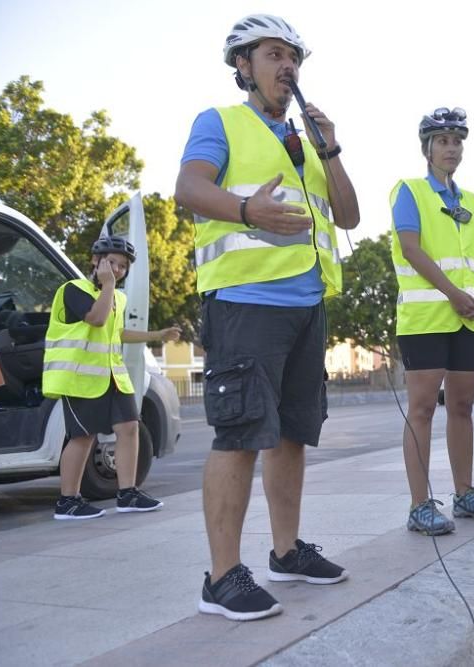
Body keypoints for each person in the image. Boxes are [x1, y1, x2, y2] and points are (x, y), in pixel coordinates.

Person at [174, 14, 360, 621]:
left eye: (294, 59)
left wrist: (329, 150)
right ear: (243, 65)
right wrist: (247, 211)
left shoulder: (303, 142)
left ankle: (287, 551)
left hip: (306, 305)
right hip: (245, 303)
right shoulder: (219, 122)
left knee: (291, 434)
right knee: (241, 434)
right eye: (274, 55)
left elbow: (350, 215)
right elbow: (188, 188)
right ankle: (221, 578)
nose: (288, 68)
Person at [390, 107, 474, 536]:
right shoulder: (409, 191)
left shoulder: (472, 200)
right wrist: (454, 294)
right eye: (442, 141)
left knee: (461, 407)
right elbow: (411, 249)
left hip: (470, 320)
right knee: (421, 409)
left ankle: (465, 493)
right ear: (428, 148)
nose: (451, 148)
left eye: (457, 141)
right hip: (425, 318)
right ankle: (419, 505)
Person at [43, 235, 181, 520]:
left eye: (122, 266)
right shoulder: (74, 290)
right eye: (112, 263)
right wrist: (107, 284)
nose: (117, 270)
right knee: (83, 437)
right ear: (95, 261)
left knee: (130, 428)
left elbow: (116, 332)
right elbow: (96, 319)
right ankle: (67, 502)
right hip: (80, 378)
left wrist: (156, 335)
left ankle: (127, 493)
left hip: (113, 377)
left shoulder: (117, 296)